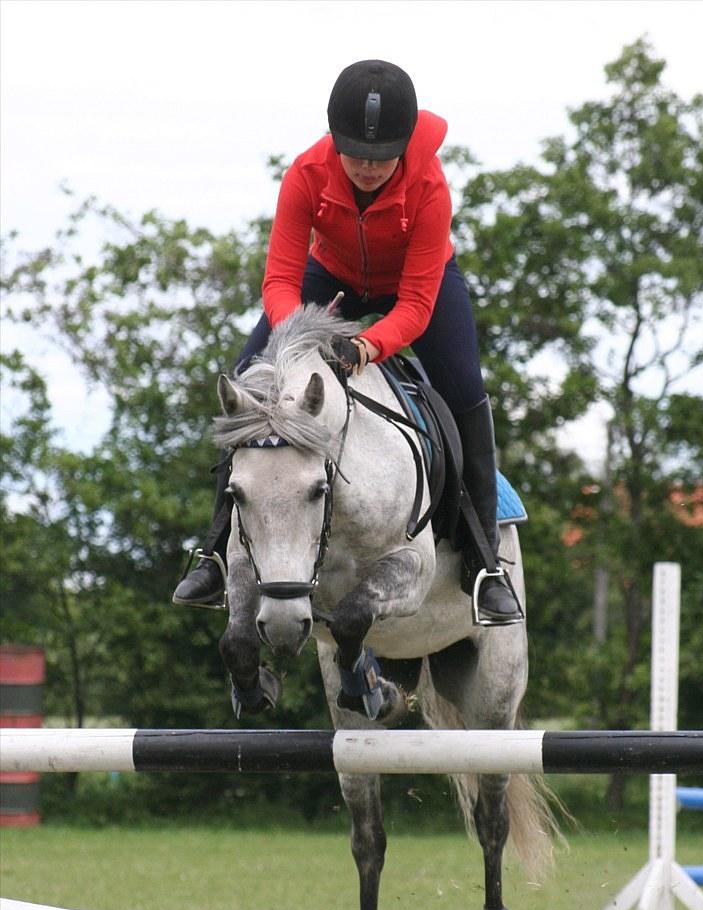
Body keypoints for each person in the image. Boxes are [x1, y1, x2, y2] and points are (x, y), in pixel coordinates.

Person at [173, 59, 521, 625]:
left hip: (413, 285)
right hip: (328, 278)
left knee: (463, 388)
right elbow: (280, 282)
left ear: (404, 148)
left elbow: (413, 306)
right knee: (247, 380)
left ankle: (485, 565)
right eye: (354, 152)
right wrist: (300, 336)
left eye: (381, 158)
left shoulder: (430, 184)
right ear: (334, 140)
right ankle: (214, 551)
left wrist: (365, 348)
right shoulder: (307, 173)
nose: (365, 166)